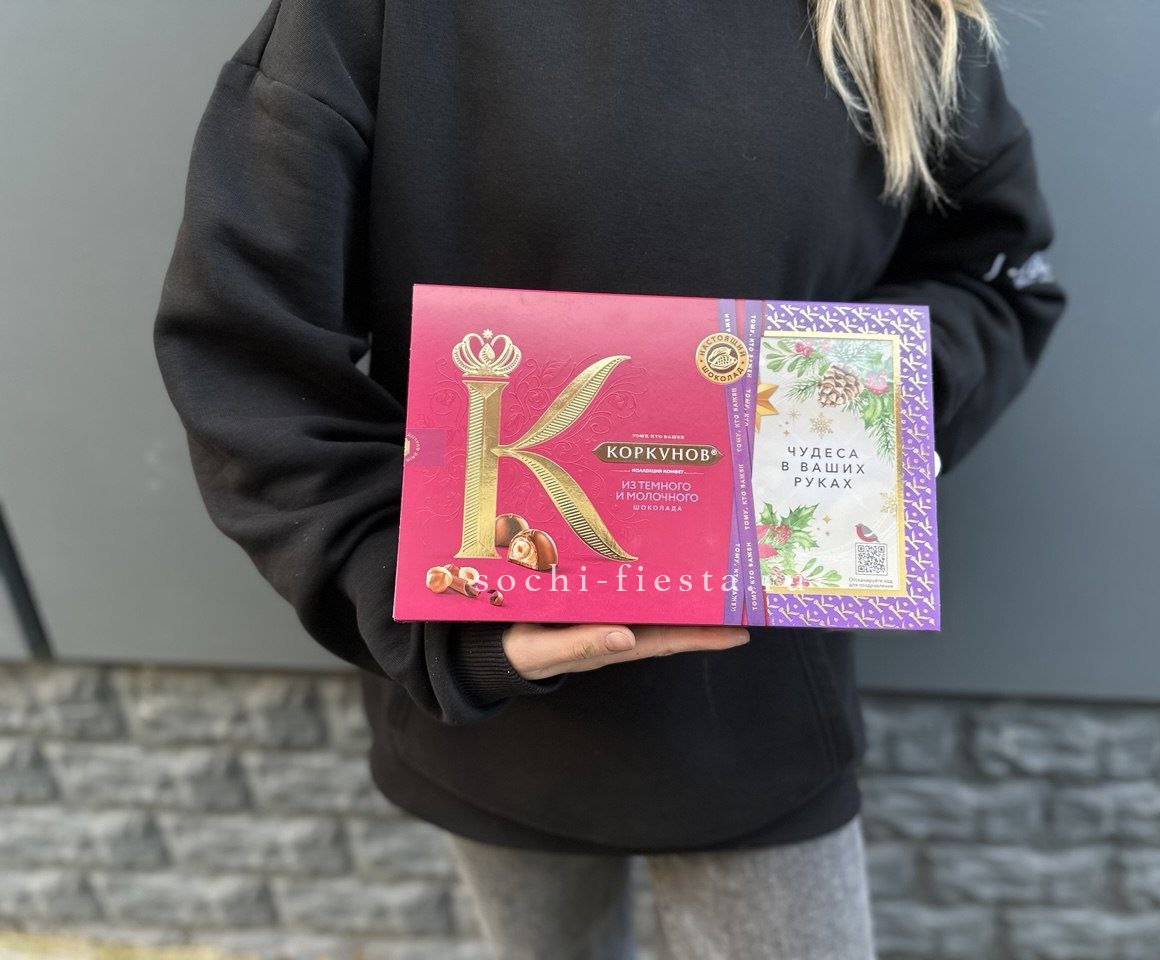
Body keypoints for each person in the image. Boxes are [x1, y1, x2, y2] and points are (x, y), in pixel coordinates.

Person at [153, 0, 1065, 956]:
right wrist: (430, 614)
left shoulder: (901, 20)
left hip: (762, 701)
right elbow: (250, 348)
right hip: (492, 699)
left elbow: (994, 275)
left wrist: (862, 406)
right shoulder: (374, 16)